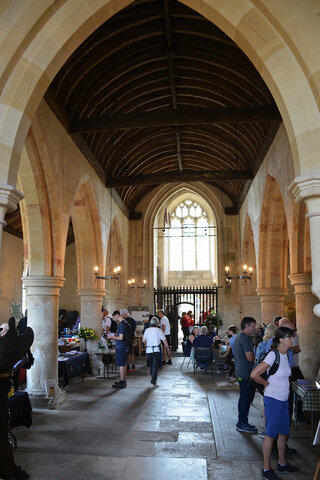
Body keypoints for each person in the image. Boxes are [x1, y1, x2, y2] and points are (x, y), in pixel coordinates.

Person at [250, 327, 300, 479]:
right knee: (271, 435)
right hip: (273, 400)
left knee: (283, 433)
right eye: (290, 337)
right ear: (281, 339)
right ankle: (266, 469)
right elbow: (254, 374)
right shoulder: (274, 355)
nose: (293, 339)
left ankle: (282, 464)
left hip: (284, 400)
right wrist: (266, 384)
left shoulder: (285, 354)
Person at [233, 316, 257, 433]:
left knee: (245, 397)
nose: (255, 329)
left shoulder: (239, 337)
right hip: (245, 373)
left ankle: (242, 421)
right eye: (253, 326)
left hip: (242, 372)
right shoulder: (245, 338)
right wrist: (255, 355)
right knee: (245, 398)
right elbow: (250, 357)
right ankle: (242, 422)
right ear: (247, 326)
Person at [143, 316, 170, 388]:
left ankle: (152, 378)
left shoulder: (147, 330)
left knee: (151, 365)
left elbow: (144, 341)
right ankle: (153, 381)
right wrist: (167, 348)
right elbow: (164, 340)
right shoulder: (159, 330)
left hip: (148, 350)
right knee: (155, 366)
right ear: (158, 323)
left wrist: (147, 346)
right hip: (156, 350)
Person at [107, 313, 129, 389]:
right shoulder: (125, 323)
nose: (114, 319)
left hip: (121, 346)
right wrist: (115, 338)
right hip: (124, 346)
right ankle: (123, 380)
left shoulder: (121, 325)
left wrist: (111, 337)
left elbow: (120, 337)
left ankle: (122, 381)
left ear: (117, 316)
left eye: (114, 317)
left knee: (121, 364)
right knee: (124, 363)